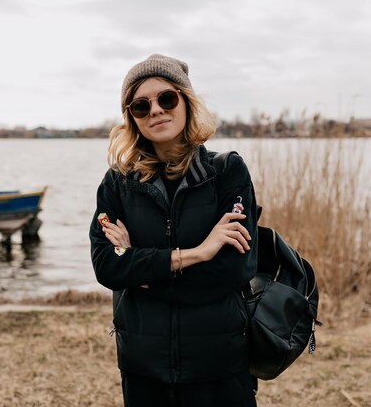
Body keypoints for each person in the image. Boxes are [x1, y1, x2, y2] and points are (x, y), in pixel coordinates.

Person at [89, 54, 258, 407]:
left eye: (166, 98)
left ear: (186, 102)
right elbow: (107, 266)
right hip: (143, 366)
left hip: (219, 363)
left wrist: (140, 274)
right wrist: (197, 254)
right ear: (131, 117)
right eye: (140, 105)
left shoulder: (227, 173)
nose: (156, 111)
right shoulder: (118, 184)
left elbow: (233, 269)